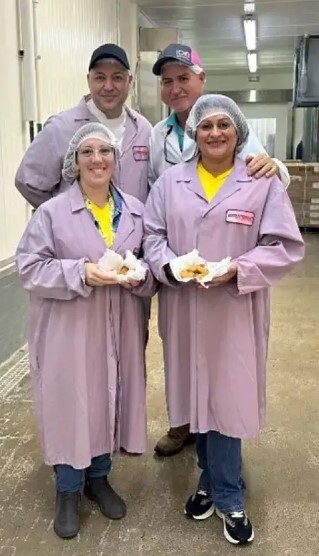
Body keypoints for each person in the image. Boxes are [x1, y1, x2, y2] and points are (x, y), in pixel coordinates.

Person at [143, 94, 304, 545]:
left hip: (234, 308)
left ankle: (228, 495)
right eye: (206, 125)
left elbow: (284, 245)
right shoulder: (171, 182)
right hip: (185, 307)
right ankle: (208, 482)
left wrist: (239, 268)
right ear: (193, 132)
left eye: (224, 125)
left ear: (238, 131)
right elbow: (153, 235)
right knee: (197, 397)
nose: (215, 133)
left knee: (226, 402)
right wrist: (169, 266)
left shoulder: (260, 181)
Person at [149, 42, 292, 457]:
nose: (176, 88)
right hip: (179, 274)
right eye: (168, 81)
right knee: (181, 358)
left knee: (227, 374)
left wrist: (276, 167)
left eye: (183, 78)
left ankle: (221, 465)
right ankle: (184, 426)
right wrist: (166, 264)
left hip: (230, 281)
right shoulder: (156, 137)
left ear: (201, 77)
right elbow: (155, 206)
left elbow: (265, 180)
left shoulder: (231, 126)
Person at [16, 123, 156, 540]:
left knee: (108, 396)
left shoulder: (135, 209)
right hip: (68, 329)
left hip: (119, 327)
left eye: (105, 152)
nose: (97, 159)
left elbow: (150, 266)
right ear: (74, 163)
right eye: (87, 152)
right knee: (70, 402)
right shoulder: (52, 212)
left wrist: (140, 276)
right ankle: (67, 488)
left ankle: (98, 478)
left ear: (116, 161)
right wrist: (80, 272)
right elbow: (29, 266)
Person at [15, 43, 152, 207]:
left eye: (117, 77)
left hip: (132, 231)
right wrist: (62, 219)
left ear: (129, 81)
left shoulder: (143, 129)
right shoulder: (60, 128)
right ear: (89, 80)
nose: (108, 87)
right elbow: (28, 182)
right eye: (100, 77)